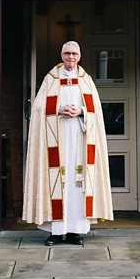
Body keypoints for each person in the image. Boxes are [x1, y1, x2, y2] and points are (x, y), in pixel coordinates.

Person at [23, 41, 114, 246]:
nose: (70, 57)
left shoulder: (86, 80)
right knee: (57, 181)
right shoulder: (51, 79)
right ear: (61, 55)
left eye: (74, 54)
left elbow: (96, 112)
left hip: (80, 140)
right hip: (56, 139)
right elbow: (37, 109)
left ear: (79, 56)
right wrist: (58, 110)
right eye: (67, 54)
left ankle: (75, 231)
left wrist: (81, 111)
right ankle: (55, 232)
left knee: (77, 182)